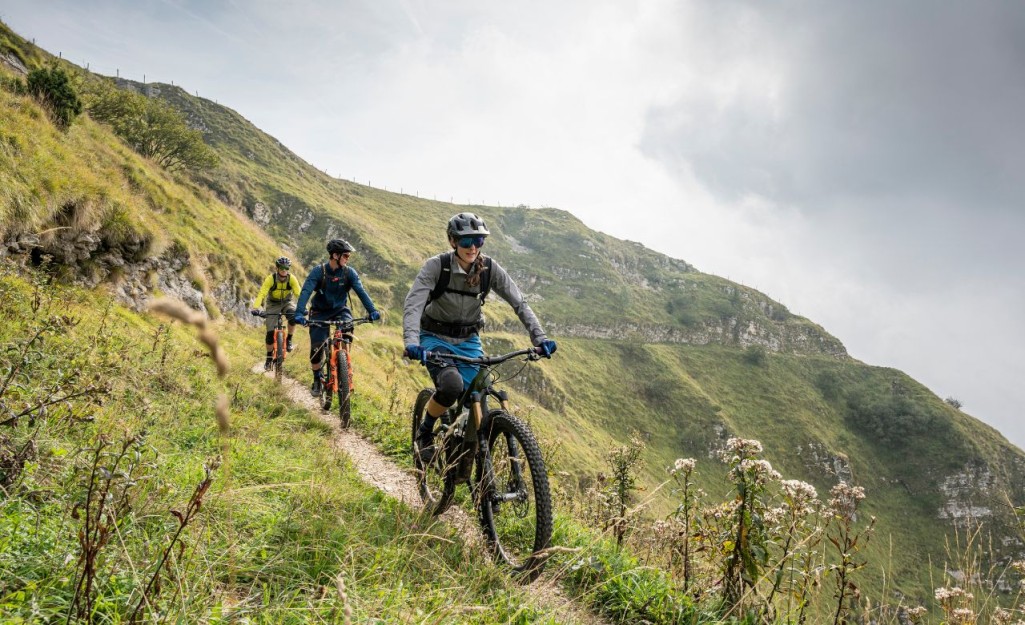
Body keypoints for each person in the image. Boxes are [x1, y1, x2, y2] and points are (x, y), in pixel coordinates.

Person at [402, 212, 556, 455]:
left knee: (480, 396)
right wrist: (412, 342)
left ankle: (469, 461)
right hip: (434, 337)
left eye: (478, 241)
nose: (472, 247)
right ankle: (425, 430)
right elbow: (413, 305)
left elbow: (520, 303)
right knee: (451, 385)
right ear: (453, 241)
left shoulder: (489, 269)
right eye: (465, 241)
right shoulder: (437, 266)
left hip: (468, 340)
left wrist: (540, 338)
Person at [294, 239, 382, 396]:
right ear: (335, 255)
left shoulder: (349, 273)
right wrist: (300, 312)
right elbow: (306, 291)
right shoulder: (318, 272)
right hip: (319, 312)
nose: (348, 258)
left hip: (340, 310)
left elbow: (361, 292)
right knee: (316, 347)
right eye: (346, 256)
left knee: (348, 329)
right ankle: (316, 379)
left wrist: (372, 310)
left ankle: (343, 364)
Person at [251, 256, 301, 370]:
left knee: (293, 317)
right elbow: (262, 293)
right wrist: (256, 307)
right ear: (277, 268)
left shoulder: (292, 279)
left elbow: (299, 294)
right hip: (273, 304)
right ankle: (269, 358)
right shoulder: (271, 279)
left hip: (287, 302)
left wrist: (303, 308)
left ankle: (289, 339)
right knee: (269, 334)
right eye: (282, 267)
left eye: (287, 267)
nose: (284, 270)